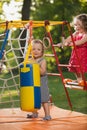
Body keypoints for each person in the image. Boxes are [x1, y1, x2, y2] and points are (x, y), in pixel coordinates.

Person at [27, 39, 52, 121]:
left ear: (42, 51)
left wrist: (35, 65)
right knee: (34, 98)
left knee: (44, 99)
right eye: (33, 49)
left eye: (38, 49)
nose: (36, 51)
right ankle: (35, 113)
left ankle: (47, 115)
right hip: (33, 83)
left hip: (42, 83)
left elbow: (42, 72)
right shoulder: (31, 60)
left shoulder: (42, 60)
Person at [59, 13, 87, 82]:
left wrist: (71, 44)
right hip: (75, 53)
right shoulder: (76, 33)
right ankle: (79, 79)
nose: (76, 27)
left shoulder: (86, 34)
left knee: (80, 67)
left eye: (78, 25)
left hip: (82, 54)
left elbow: (81, 41)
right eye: (75, 25)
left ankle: (82, 79)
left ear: (85, 25)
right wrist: (63, 42)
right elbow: (69, 38)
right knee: (74, 66)